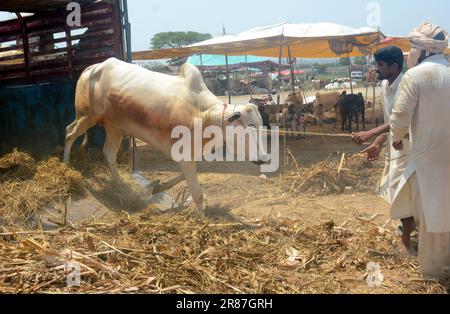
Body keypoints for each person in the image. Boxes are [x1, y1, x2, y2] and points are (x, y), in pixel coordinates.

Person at [390, 22, 450, 280]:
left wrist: (397, 137)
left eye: (412, 47)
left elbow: (400, 116)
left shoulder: (415, 76)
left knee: (430, 218)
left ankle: (433, 274)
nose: (410, 52)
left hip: (426, 162)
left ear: (424, 49)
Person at [352, 46, 415, 250]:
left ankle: (405, 240)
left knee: (402, 192)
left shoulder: (407, 85)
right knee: (399, 191)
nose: (376, 69)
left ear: (394, 66)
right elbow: (390, 121)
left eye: (380, 65)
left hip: (411, 146)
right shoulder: (386, 86)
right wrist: (377, 143)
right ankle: (407, 231)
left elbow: (399, 120)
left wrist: (369, 134)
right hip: (396, 146)